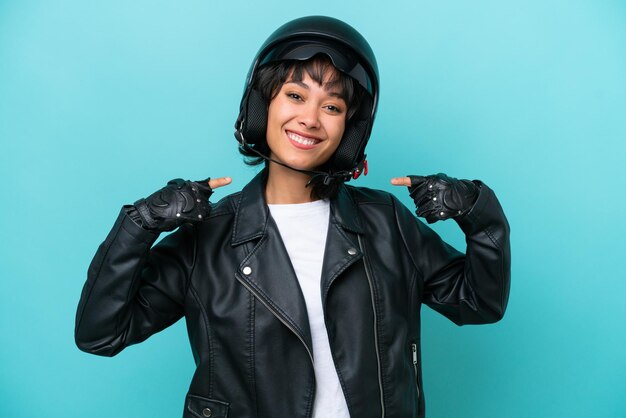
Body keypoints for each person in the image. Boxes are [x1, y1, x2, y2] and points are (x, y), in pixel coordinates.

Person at [75, 15, 510, 418]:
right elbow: (101, 334)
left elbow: (479, 302)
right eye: (296, 95)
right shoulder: (206, 238)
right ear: (262, 105)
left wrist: (476, 212)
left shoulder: (386, 223)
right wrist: (141, 223)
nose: (310, 119)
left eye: (333, 107)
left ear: (350, 130)